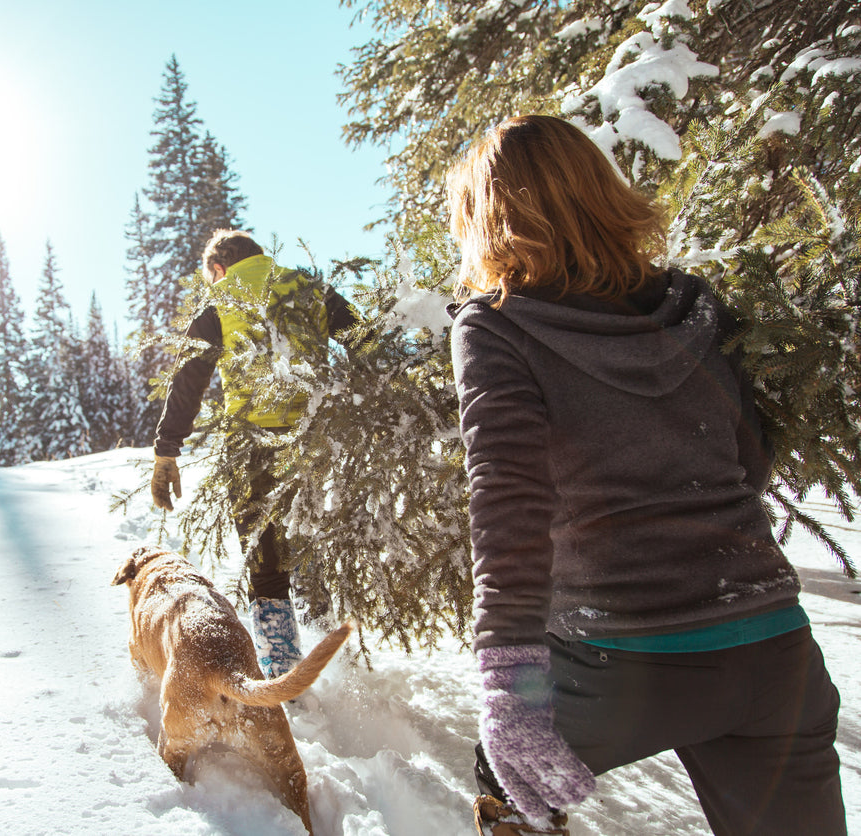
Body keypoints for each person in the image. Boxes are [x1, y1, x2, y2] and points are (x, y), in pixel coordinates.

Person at [446, 115, 845, 835]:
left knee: (508, 778)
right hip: (774, 651)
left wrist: (509, 679)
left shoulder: (495, 326)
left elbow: (507, 498)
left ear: (490, 219)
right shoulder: (697, 305)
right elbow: (746, 455)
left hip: (617, 663)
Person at [151, 229, 359, 678]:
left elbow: (188, 383)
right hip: (313, 442)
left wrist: (167, 450)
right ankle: (335, 666)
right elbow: (362, 337)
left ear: (219, 269)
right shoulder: (308, 287)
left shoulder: (218, 302)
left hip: (251, 448)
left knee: (265, 563)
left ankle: (284, 677)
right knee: (311, 547)